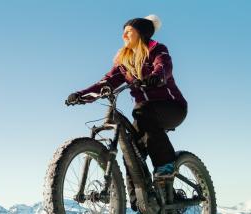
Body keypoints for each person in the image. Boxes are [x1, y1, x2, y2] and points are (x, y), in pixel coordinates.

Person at [66, 14, 187, 208]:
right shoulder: (125, 62)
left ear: (142, 34)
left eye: (129, 32)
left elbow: (163, 66)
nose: (124, 36)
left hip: (172, 107)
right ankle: (140, 202)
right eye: (123, 33)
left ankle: (166, 165)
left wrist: (156, 77)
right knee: (131, 150)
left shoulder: (158, 51)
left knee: (142, 111)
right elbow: (106, 82)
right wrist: (81, 95)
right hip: (146, 113)